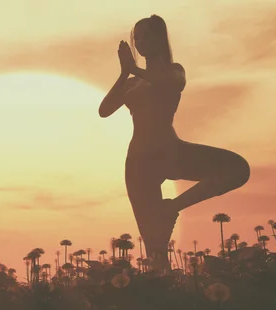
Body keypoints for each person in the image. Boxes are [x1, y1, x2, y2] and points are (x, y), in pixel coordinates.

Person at [98, 15, 250, 271]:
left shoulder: (173, 70)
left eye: (147, 36)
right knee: (155, 247)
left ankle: (172, 209)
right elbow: (104, 110)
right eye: (138, 37)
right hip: (139, 163)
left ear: (160, 38)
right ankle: (164, 296)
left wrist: (134, 69)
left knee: (238, 168)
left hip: (170, 151)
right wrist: (125, 72)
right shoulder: (133, 82)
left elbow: (172, 83)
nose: (142, 42)